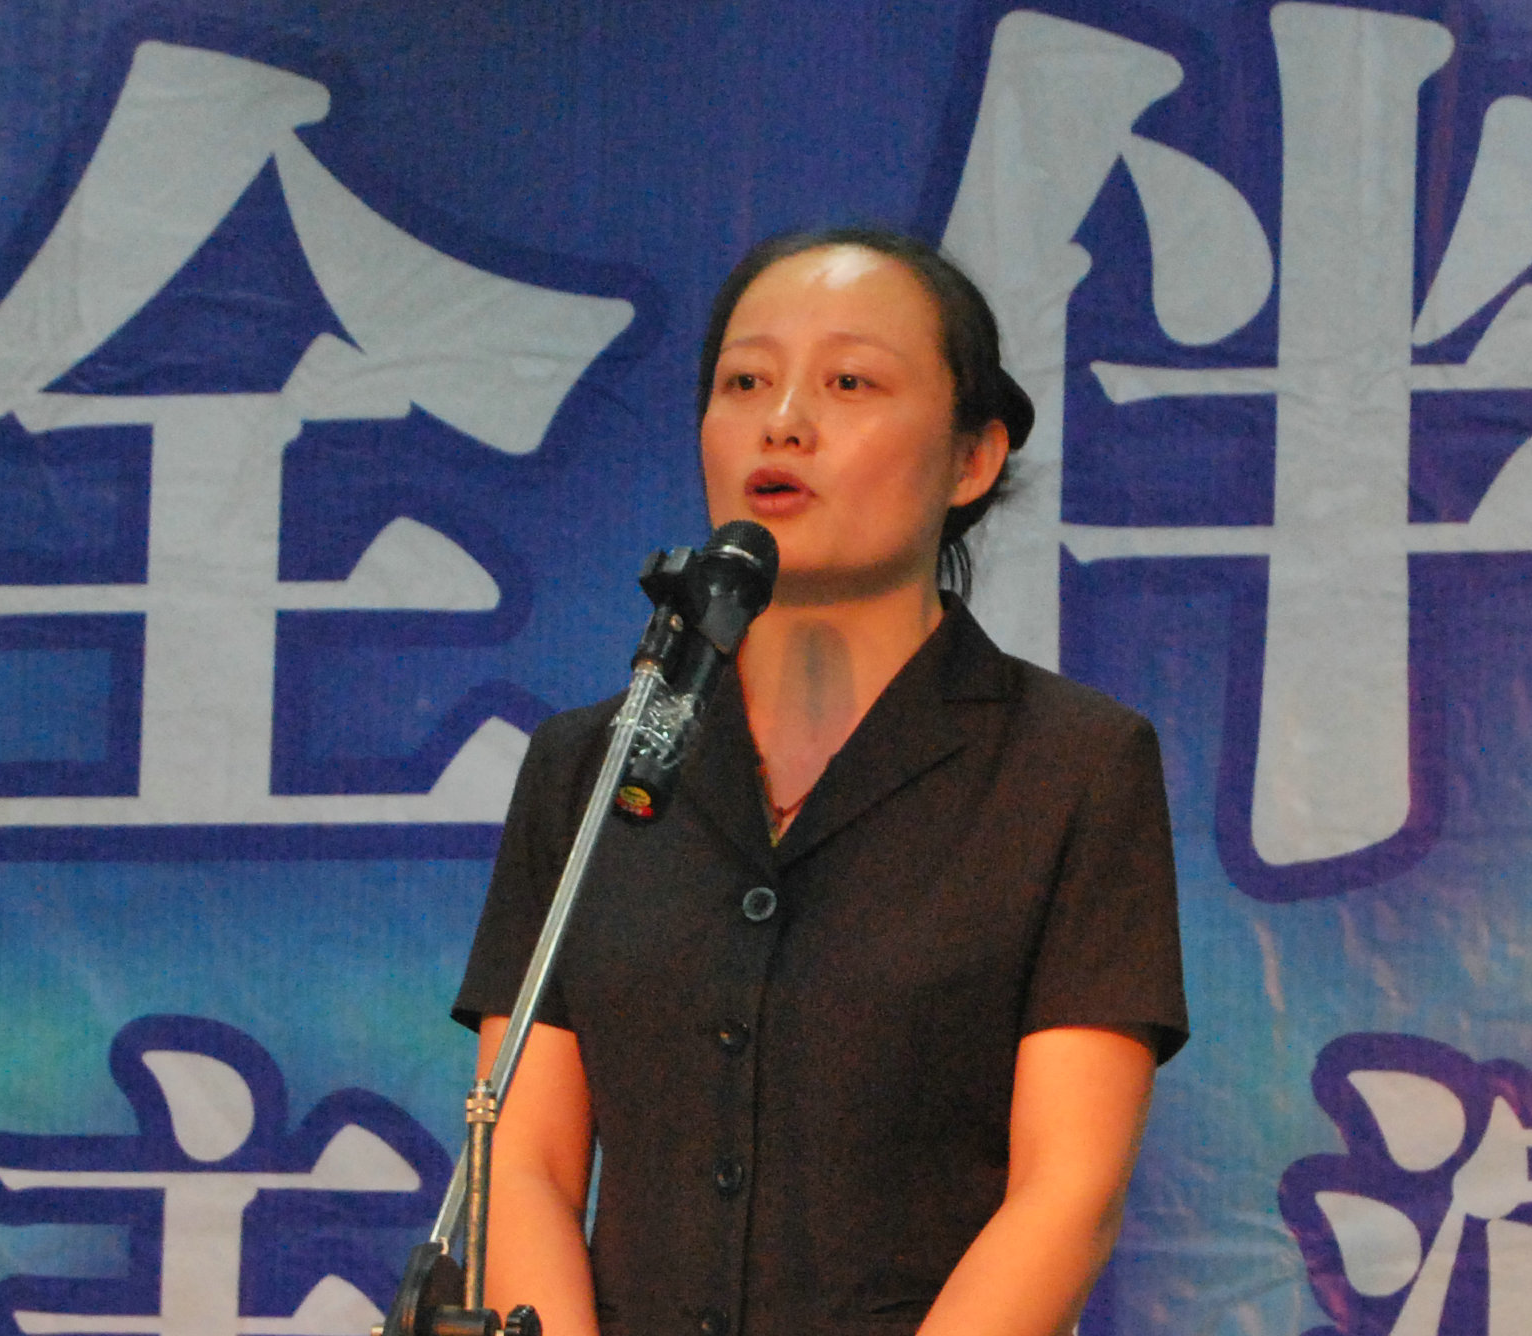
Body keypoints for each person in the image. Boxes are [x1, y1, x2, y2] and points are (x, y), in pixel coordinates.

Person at [453, 227, 1187, 1336]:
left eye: (850, 383)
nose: (783, 421)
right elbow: (525, 1167)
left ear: (973, 459)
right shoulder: (590, 767)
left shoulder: (1072, 766)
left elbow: (1066, 1195)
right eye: (746, 382)